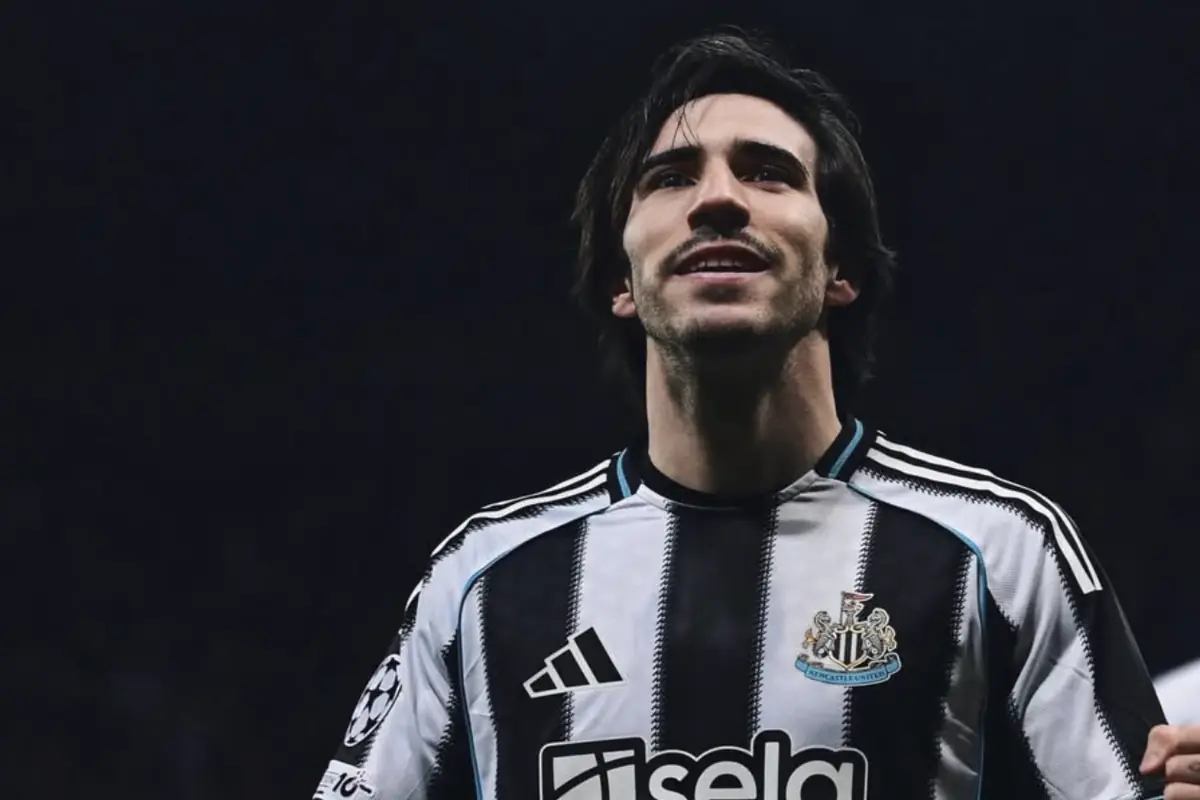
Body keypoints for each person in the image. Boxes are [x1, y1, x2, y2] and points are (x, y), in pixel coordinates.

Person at [313, 30, 1199, 800]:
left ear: (840, 270)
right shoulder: (484, 577)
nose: (719, 198)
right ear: (621, 280)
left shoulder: (1002, 551)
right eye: (670, 178)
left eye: (768, 172)